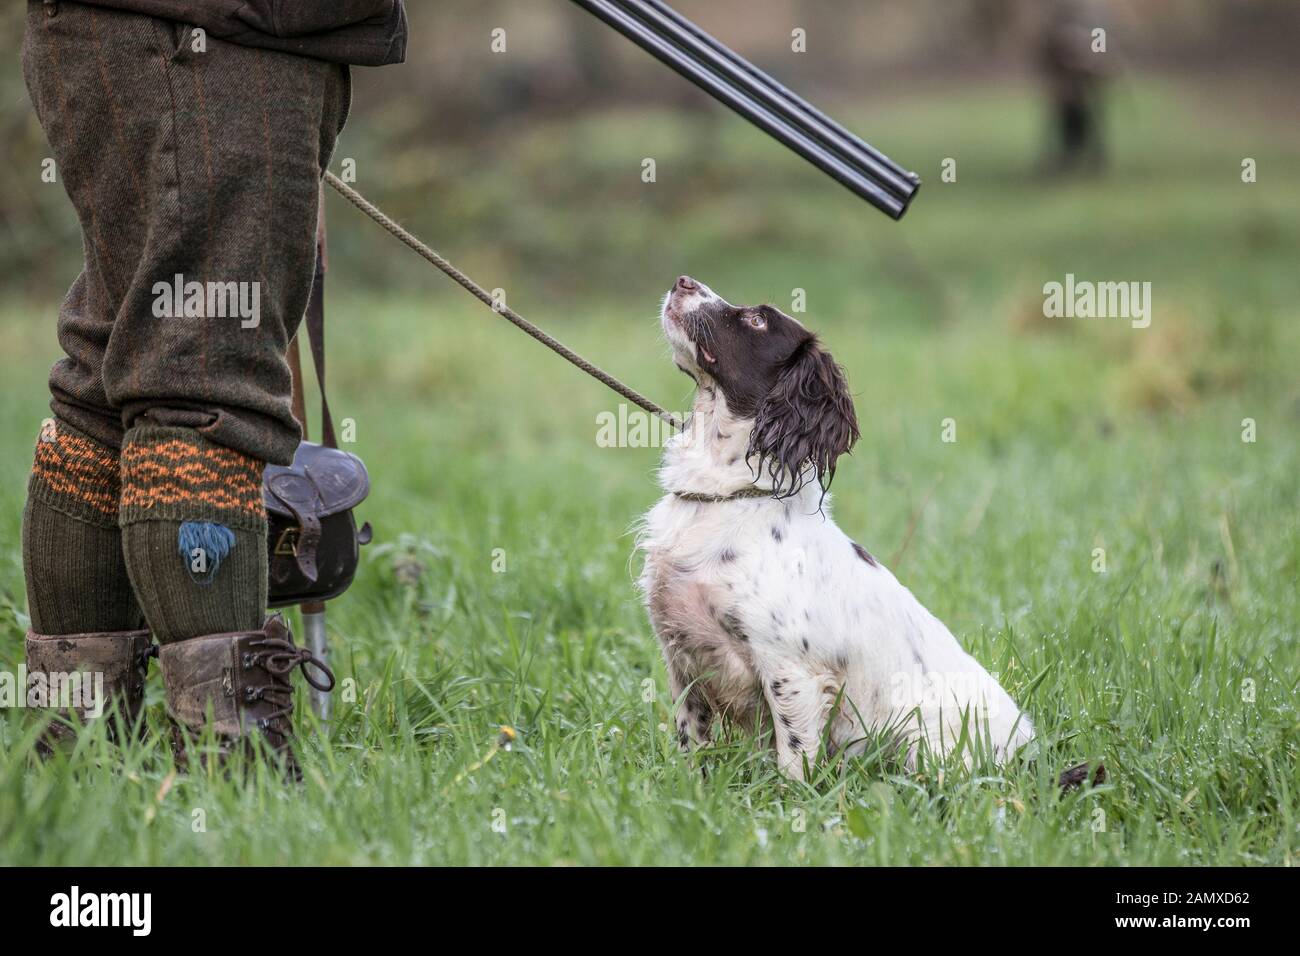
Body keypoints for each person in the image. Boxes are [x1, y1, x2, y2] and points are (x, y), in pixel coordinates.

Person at [20, 0, 406, 764]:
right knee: (200, 382)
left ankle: (77, 755)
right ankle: (233, 761)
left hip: (161, 38)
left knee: (114, 371)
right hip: (206, 46)